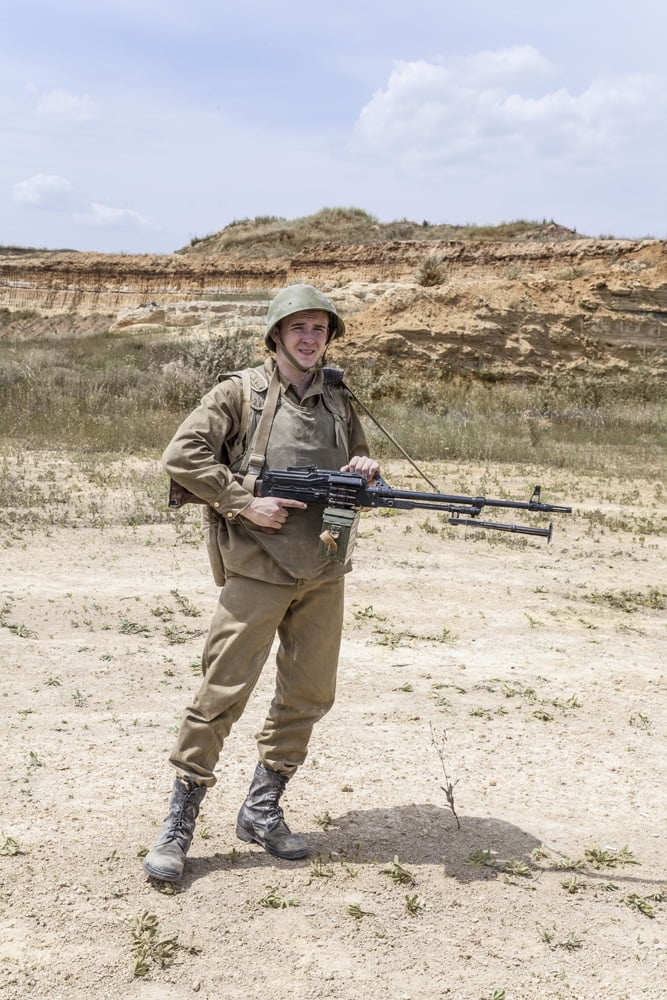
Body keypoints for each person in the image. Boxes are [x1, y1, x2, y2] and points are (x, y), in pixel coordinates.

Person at [143, 283, 380, 882]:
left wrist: (366, 470)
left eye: (319, 329)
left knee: (308, 694)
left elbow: (357, 470)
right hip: (257, 569)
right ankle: (180, 819)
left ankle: (262, 807)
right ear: (276, 336)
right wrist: (243, 502)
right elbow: (181, 455)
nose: (309, 338)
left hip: (324, 569)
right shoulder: (238, 393)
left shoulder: (338, 400)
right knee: (222, 692)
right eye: (298, 328)